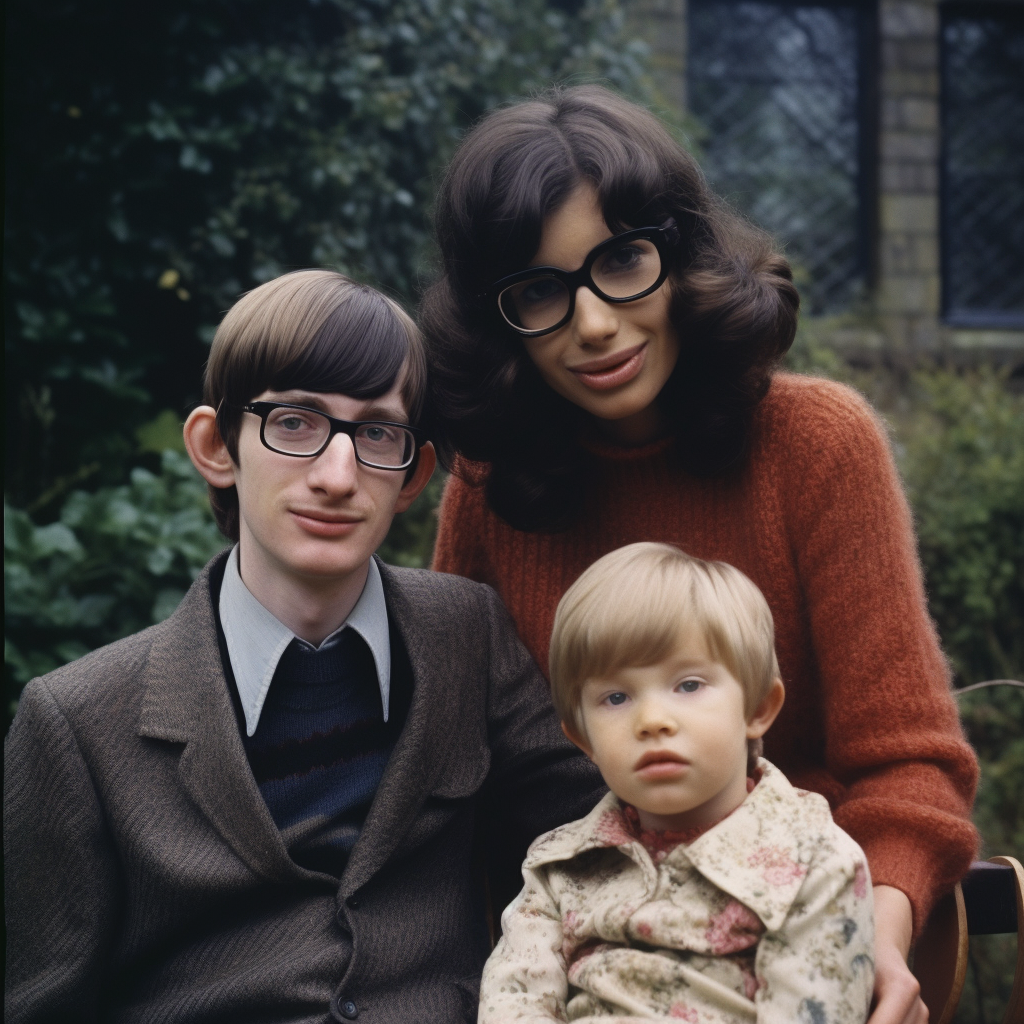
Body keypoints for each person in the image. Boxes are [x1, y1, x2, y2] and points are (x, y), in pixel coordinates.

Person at [421, 85, 978, 1024]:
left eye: (623, 260)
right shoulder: (490, 487)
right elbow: (444, 775)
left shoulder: (819, 445)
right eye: (540, 292)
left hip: (794, 957)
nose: (594, 325)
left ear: (682, 256)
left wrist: (871, 946)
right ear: (496, 318)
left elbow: (909, 767)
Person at [4, 270, 603, 1023]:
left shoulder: (469, 638)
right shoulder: (77, 723)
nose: (337, 474)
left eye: (377, 432)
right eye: (294, 422)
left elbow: (598, 845)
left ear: (414, 473)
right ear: (216, 446)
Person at [479, 543, 875, 1023]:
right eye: (617, 697)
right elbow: (514, 1002)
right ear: (582, 738)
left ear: (757, 709)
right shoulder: (559, 869)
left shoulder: (815, 864)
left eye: (688, 685)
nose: (652, 720)